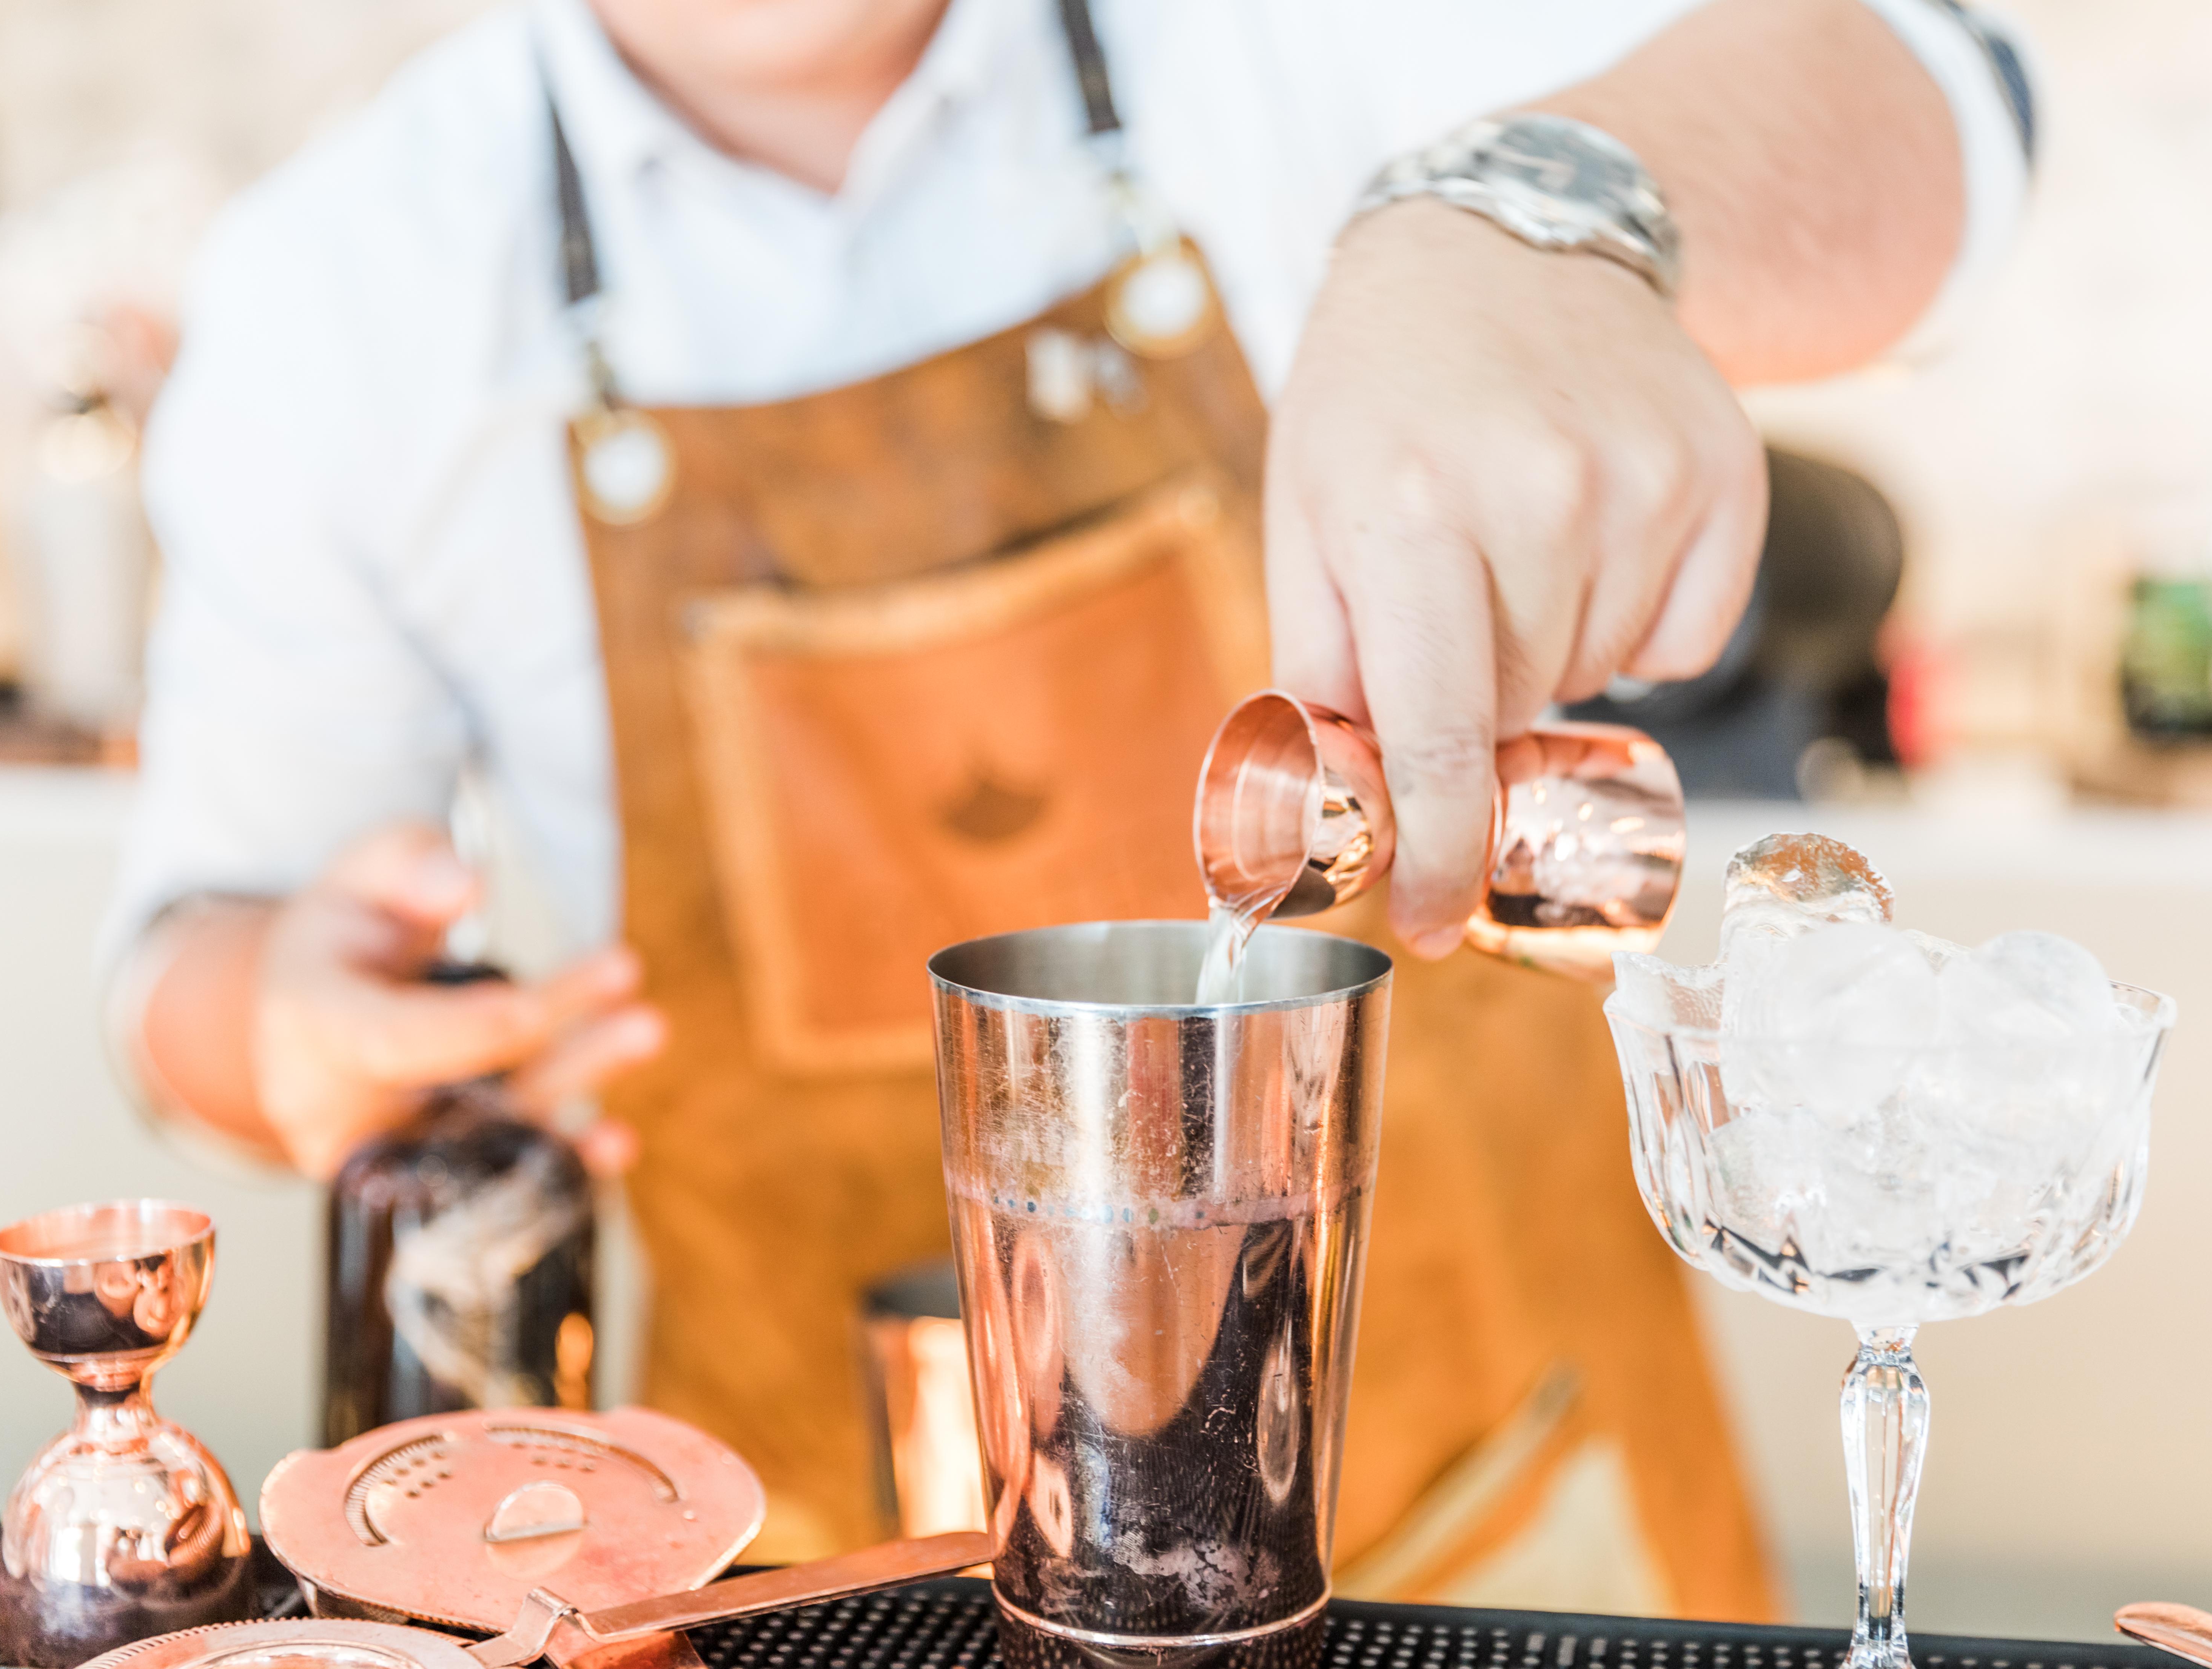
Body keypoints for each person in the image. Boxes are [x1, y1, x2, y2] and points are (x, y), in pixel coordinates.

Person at [105, 0, 2032, 1615]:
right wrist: (289, 1018)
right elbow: (188, 977)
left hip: (1501, 1534)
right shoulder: (342, 292)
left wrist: (1528, 222)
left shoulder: (1286, 39)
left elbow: (1949, 89)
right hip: (819, 1583)